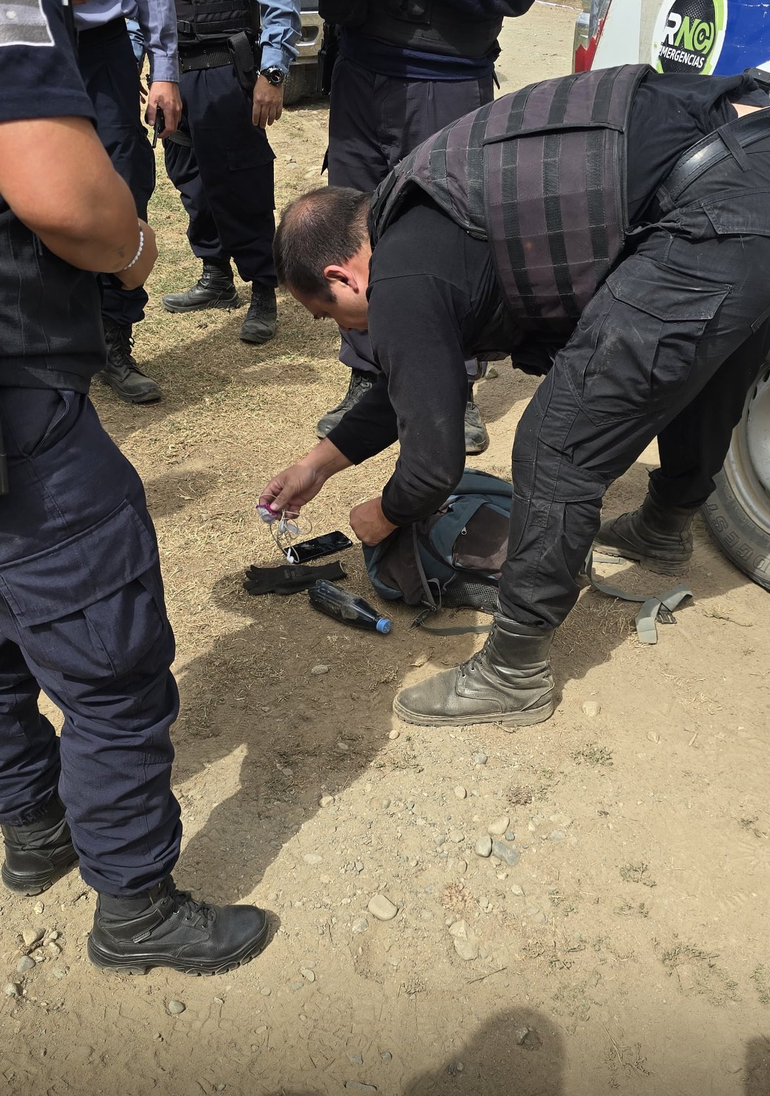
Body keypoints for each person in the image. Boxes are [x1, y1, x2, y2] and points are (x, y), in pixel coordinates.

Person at [260, 65, 770, 729]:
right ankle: (663, 526)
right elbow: (415, 382)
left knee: (555, 443)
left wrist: (385, 514)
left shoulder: (404, 273)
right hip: (751, 157)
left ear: (342, 276)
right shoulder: (423, 209)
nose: (349, 331)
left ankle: (514, 670)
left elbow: (431, 465)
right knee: (710, 360)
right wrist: (319, 463)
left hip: (716, 204)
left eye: (330, 316)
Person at [0, 0, 267, 975]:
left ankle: (33, 827)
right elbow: (63, 193)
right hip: (17, 394)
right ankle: (137, 909)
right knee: (109, 668)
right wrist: (134, 252)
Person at [314, 0, 535, 453]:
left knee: (455, 230)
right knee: (355, 227)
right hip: (359, 64)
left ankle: (459, 385)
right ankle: (368, 372)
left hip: (449, 74)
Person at [160, 0, 301, 346]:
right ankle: (216, 277)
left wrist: (273, 71)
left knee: (241, 184)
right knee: (190, 179)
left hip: (224, 66)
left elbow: (281, 6)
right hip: (172, 72)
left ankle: (263, 289)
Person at [75, 0, 182, 404]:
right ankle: (52, 345)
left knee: (124, 190)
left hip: (102, 47)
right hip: (22, 43)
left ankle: (113, 338)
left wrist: (165, 72)